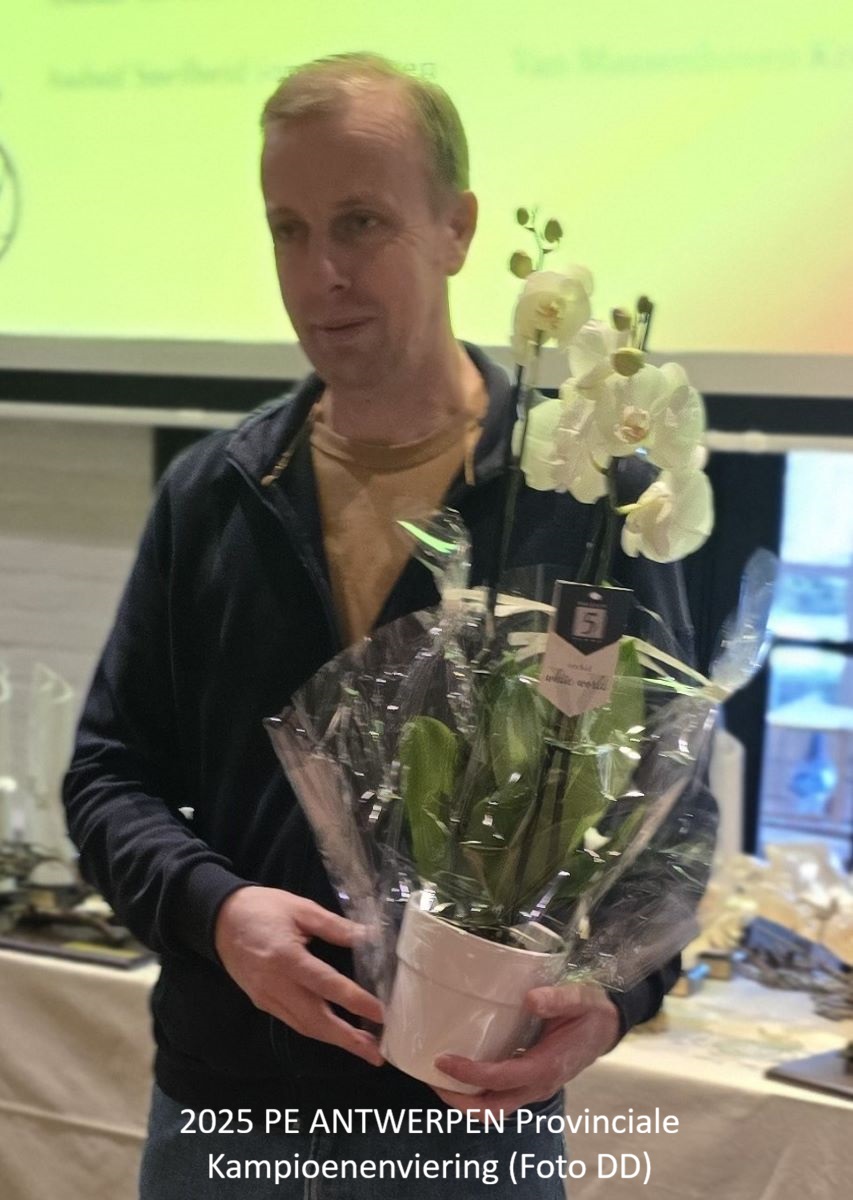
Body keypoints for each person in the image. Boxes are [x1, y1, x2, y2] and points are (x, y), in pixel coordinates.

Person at [63, 53, 696, 1198]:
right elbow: (109, 777)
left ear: (457, 228)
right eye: (289, 230)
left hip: (469, 1118)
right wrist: (218, 912)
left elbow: (669, 814)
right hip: (225, 1112)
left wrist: (613, 1000)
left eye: (359, 222)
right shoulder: (216, 495)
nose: (322, 274)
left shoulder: (587, 499)